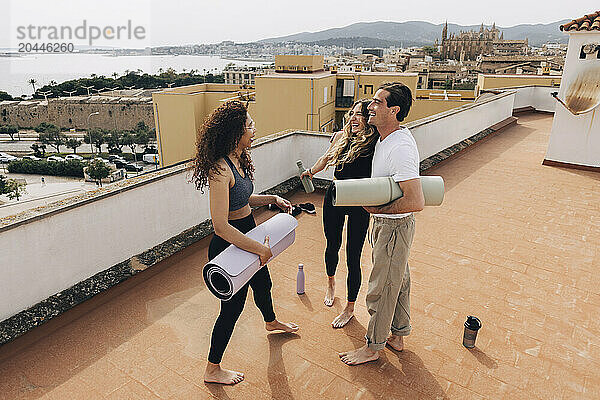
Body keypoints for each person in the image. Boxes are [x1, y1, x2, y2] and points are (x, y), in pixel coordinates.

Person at [191, 100, 299, 385]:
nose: (254, 130)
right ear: (234, 132)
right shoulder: (219, 170)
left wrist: (271, 199)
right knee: (232, 309)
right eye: (249, 126)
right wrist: (260, 249)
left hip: (248, 234)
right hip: (230, 244)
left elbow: (242, 199)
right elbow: (221, 225)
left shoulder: (239, 159)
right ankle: (212, 369)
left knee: (264, 284)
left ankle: (271, 322)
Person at [339, 82, 425, 365]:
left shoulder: (400, 147)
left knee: (382, 287)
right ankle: (398, 335)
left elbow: (415, 200)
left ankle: (372, 347)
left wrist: (378, 209)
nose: (369, 107)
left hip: (393, 227)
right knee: (398, 281)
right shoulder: (385, 137)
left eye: (377, 102)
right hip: (387, 224)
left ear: (395, 110)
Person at [300, 100, 378, 328]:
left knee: (353, 255)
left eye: (359, 115)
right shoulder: (340, 138)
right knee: (332, 244)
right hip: (335, 195)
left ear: (368, 119)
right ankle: (331, 283)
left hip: (360, 200)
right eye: (351, 114)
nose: (353, 118)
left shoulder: (374, 143)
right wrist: (311, 172)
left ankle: (350, 307)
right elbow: (325, 159)